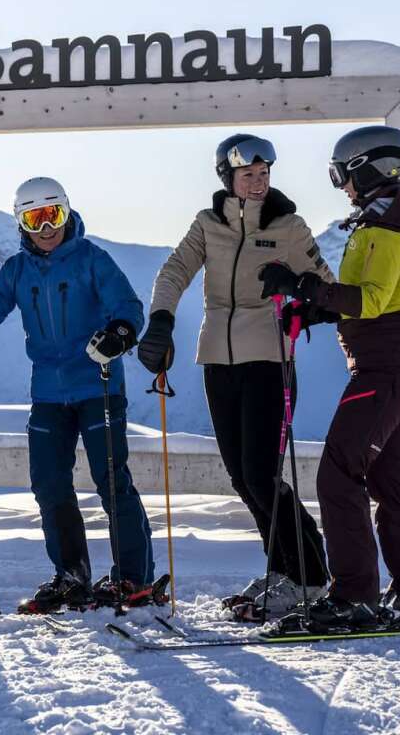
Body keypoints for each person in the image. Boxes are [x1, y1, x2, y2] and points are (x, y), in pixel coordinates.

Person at [258, 124, 400, 631]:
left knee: (338, 475)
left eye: (341, 175)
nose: (341, 186)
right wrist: (316, 308)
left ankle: (354, 597)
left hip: (383, 369)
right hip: (391, 364)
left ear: (366, 170)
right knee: (389, 482)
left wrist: (302, 286)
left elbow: (370, 300)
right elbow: (372, 300)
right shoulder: (386, 222)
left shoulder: (386, 228)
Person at [0, 177, 161, 613]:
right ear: (21, 223)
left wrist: (120, 334)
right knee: (49, 485)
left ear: (67, 212)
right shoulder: (17, 270)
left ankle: (133, 578)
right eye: (34, 218)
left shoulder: (92, 260)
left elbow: (128, 306)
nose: (46, 227)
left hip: (99, 386)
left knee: (112, 483)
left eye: (52, 214)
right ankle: (72, 577)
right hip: (49, 394)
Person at [136, 134, 334, 619]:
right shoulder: (209, 224)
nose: (258, 182)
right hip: (217, 361)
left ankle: (308, 575)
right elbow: (175, 271)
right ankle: (285, 567)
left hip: (269, 358)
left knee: (262, 475)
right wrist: (161, 319)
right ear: (228, 178)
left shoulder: (289, 227)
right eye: (248, 175)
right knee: (241, 477)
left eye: (264, 174)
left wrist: (301, 297)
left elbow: (327, 287)